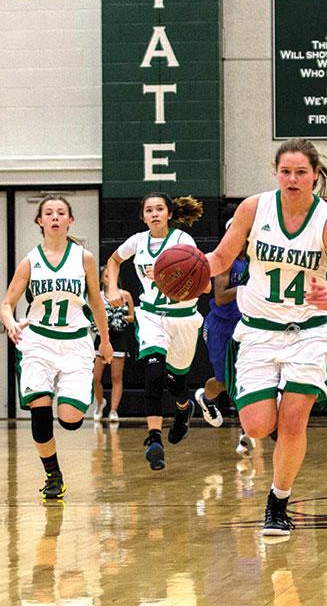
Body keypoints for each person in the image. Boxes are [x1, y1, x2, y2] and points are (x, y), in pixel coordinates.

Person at [205, 138, 327, 536]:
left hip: (308, 333)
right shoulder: (254, 209)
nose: (292, 178)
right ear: (275, 172)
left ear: (315, 176)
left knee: (293, 422)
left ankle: (278, 501)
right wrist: (183, 269)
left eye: (301, 172)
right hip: (257, 332)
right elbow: (220, 259)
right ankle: (268, 419)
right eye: (286, 171)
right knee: (256, 427)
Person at [0, 195, 112, 502]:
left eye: (61, 213)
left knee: (70, 419)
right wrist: (10, 322)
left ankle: (72, 408)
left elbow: (97, 303)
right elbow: (7, 303)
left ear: (70, 221)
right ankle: (53, 475)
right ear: (40, 221)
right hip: (38, 341)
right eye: (48, 213)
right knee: (40, 412)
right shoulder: (30, 260)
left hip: (76, 342)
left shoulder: (84, 258)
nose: (54, 217)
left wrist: (105, 339)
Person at [105, 193, 205, 471]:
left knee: (175, 382)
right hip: (150, 316)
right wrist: (112, 288)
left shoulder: (183, 242)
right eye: (149, 210)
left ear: (169, 213)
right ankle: (154, 439)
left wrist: (169, 277)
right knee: (153, 373)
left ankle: (184, 407)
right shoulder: (137, 241)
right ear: (143, 216)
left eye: (159, 209)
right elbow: (114, 260)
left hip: (183, 318)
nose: (154, 214)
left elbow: (202, 282)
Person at [194, 218, 255, 457]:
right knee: (225, 381)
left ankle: (246, 434)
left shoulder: (251, 261)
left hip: (245, 325)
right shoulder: (226, 261)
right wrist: (246, 290)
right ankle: (205, 398)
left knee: (246, 379)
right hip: (220, 326)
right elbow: (220, 297)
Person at [91, 270, 134, 423]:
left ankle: (114, 411)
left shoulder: (125, 295)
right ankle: (100, 402)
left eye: (113, 276)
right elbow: (92, 315)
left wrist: (118, 318)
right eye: (107, 276)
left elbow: (132, 317)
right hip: (102, 338)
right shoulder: (97, 296)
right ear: (102, 279)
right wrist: (103, 321)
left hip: (119, 338)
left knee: (116, 377)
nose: (110, 279)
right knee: (95, 377)